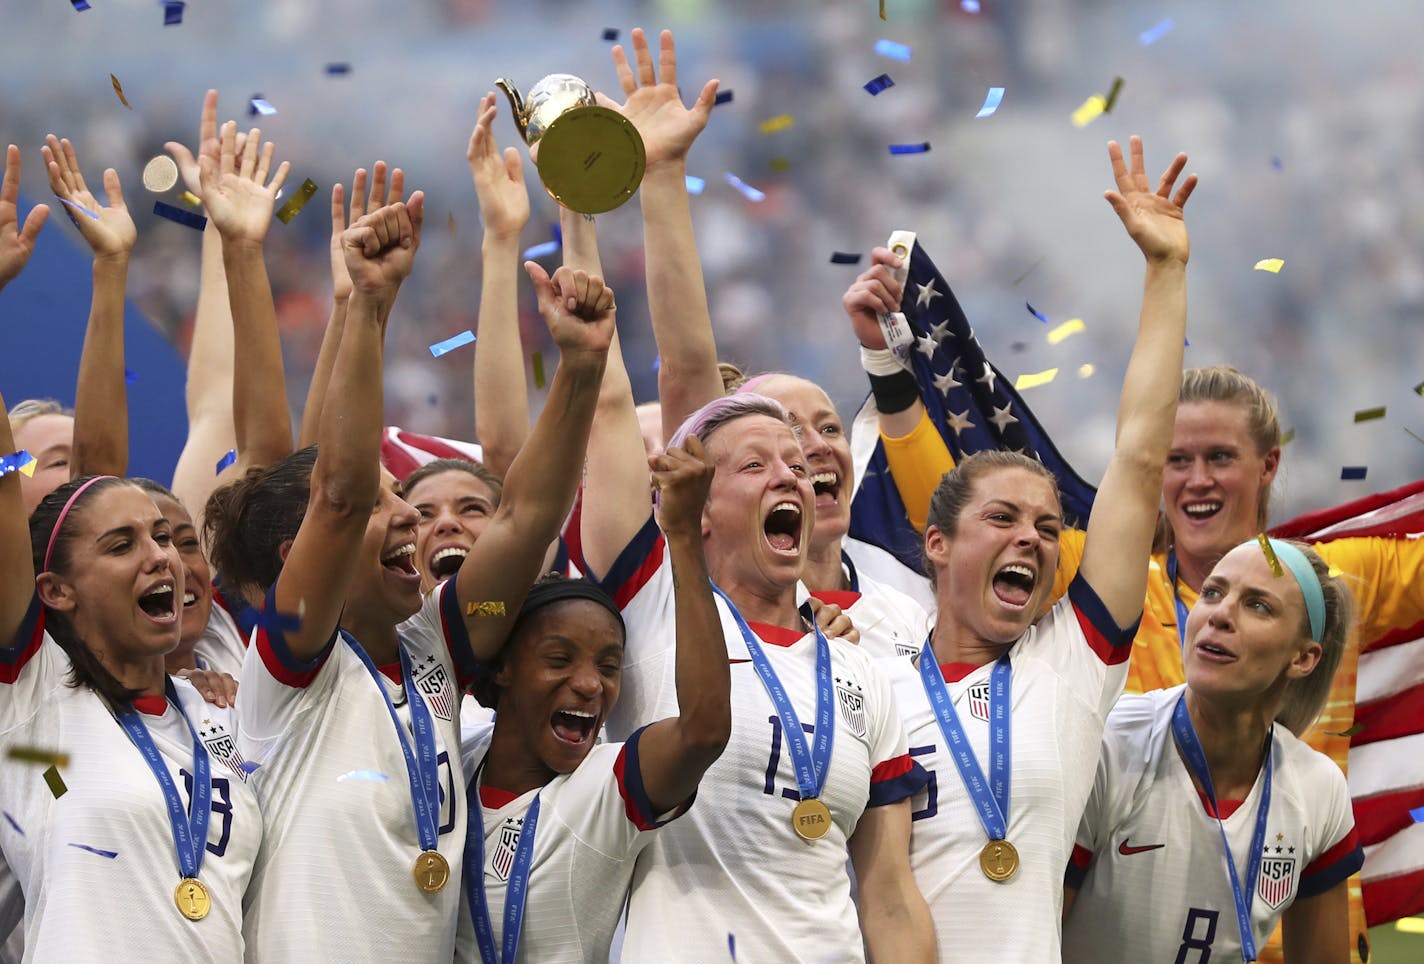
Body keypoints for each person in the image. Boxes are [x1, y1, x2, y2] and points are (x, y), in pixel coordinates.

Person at [204, 126, 616, 957]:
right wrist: (369, 309)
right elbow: (341, 492)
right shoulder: (288, 660)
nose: (413, 522)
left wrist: (578, 368)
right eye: (390, 506)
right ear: (300, 558)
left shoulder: (439, 649)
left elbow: (526, 515)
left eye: (410, 505)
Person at [880, 136, 1195, 961]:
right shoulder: (867, 676)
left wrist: (1165, 274)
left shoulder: (1073, 665)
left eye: (1049, 529)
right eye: (1004, 520)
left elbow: (1138, 459)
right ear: (937, 544)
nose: (1032, 538)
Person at [594, 26, 930, 660]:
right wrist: (662, 174)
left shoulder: (911, 606)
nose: (805, 455)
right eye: (766, 449)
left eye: (826, 430)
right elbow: (687, 372)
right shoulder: (687, 586)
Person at [457, 436, 729, 962]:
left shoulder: (605, 787)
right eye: (559, 660)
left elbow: (704, 731)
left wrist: (685, 540)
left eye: (609, 666)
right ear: (505, 669)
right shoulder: (451, 767)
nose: (590, 684)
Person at [1, 445, 260, 958]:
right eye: (122, 546)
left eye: (161, 536)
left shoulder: (223, 711)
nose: (160, 555)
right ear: (56, 591)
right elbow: (4, 478)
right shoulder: (34, 693)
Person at [1063, 539, 1364, 963]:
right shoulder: (1108, 745)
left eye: (1258, 605)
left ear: (1303, 658)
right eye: (1212, 592)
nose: (1219, 615)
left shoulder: (1318, 788)